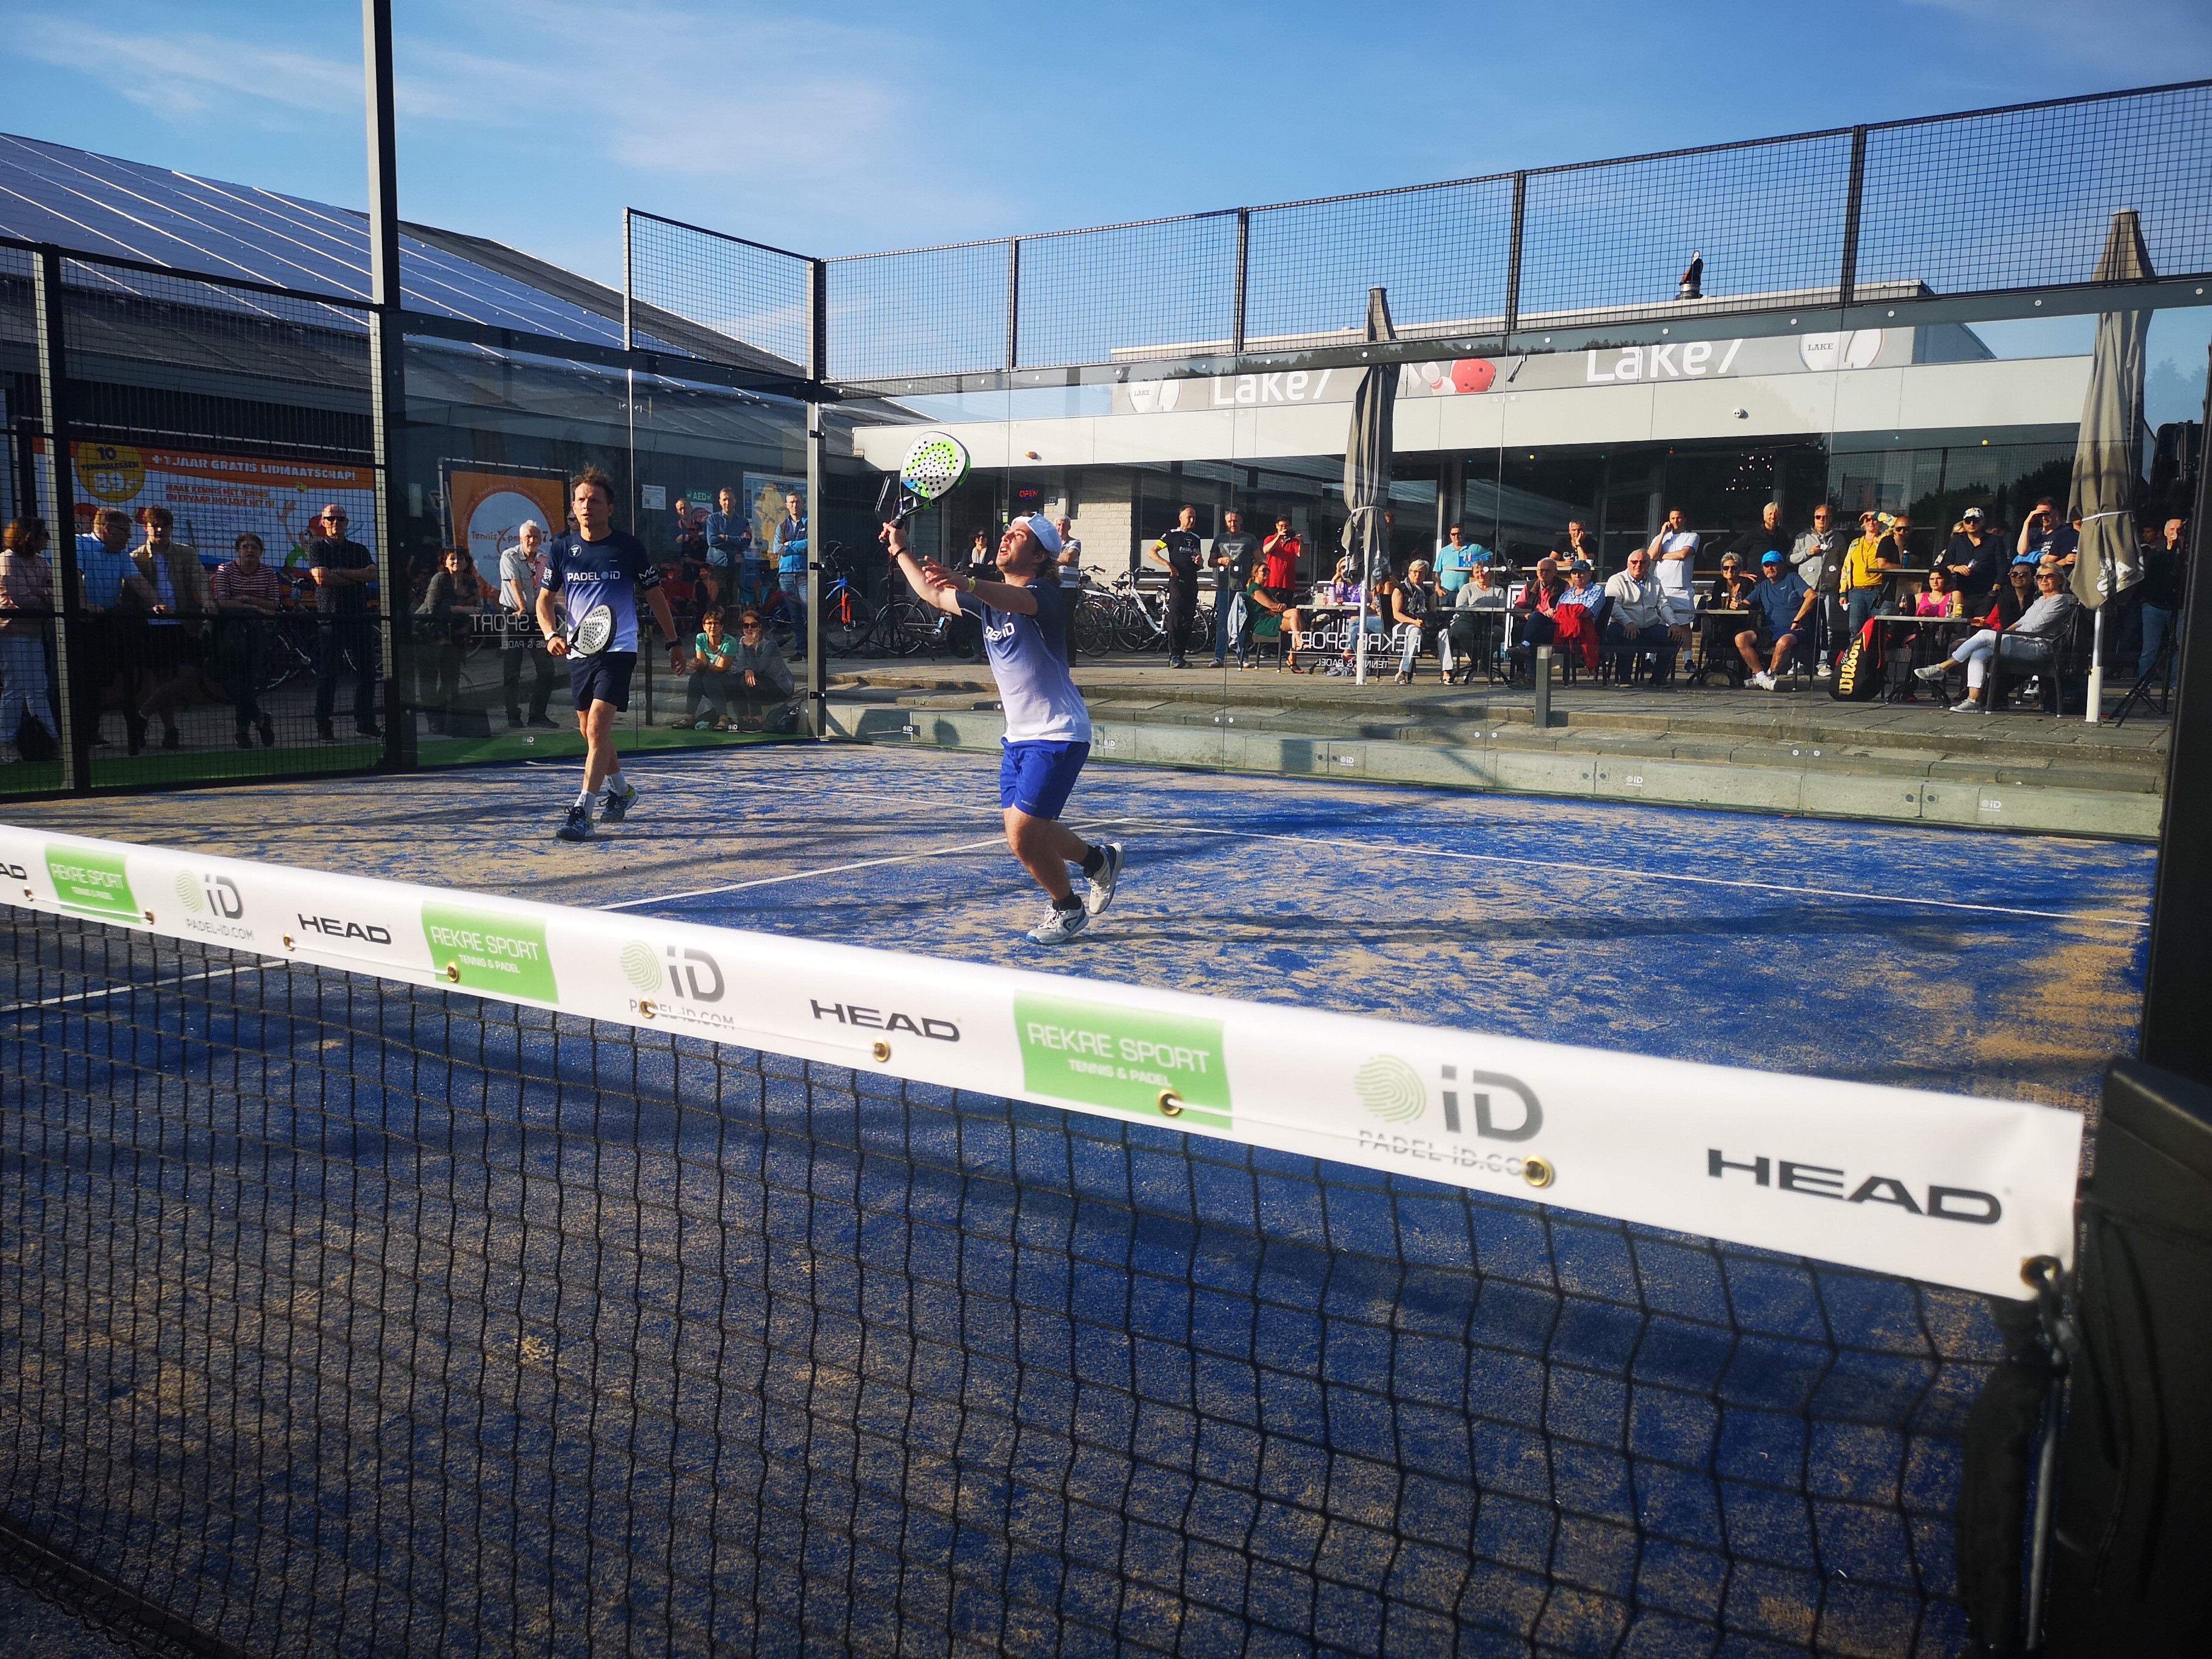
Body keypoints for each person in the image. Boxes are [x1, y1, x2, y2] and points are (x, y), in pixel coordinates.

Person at [883, 511, 1123, 944]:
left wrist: (968, 582)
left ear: (1038, 556)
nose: (1006, 539)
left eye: (1019, 536)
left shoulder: (1044, 595)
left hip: (1059, 733)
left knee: (1022, 836)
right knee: (1036, 828)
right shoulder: (988, 602)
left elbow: (1019, 602)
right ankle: (1097, 861)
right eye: (1007, 532)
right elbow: (931, 594)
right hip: (1017, 738)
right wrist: (901, 549)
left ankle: (1067, 910)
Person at [538, 465, 685, 842]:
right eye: (581, 500)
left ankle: (582, 811)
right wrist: (551, 633)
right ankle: (622, 791)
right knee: (589, 732)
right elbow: (543, 602)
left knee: (600, 727)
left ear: (610, 508)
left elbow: (656, 596)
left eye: (595, 501)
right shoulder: (561, 549)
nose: (587, 506)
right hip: (579, 650)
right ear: (574, 505)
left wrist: (673, 642)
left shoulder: (629, 548)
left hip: (619, 646)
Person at [1914, 563, 2078, 712]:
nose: (2044, 580)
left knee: (1985, 635)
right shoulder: (2040, 600)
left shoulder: (2059, 600)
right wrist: (2002, 635)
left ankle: (1943, 668)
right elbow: (2020, 623)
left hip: (2039, 647)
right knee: (1981, 652)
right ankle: (1973, 700)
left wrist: (2000, 636)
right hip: (2023, 642)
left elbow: (2036, 628)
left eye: (2049, 576)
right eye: (2041, 577)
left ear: (2060, 580)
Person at [129, 506, 212, 752]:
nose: (159, 529)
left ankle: (141, 715)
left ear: (171, 528)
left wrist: (207, 601)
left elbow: (200, 578)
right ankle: (170, 731)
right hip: (153, 627)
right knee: (161, 680)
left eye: (164, 525)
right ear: (145, 528)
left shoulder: (185, 553)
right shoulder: (136, 558)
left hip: (183, 623)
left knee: (189, 674)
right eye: (154, 525)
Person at [307, 502, 380, 743]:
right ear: (323, 522)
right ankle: (324, 725)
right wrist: (354, 577)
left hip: (359, 616)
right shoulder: (317, 549)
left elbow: (373, 574)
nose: (335, 522)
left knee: (367, 672)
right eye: (330, 519)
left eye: (340, 519)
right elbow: (322, 578)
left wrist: (340, 572)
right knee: (329, 673)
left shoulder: (358, 549)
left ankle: (365, 721)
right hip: (331, 617)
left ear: (347, 523)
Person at [208, 532, 284, 748]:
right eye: (245, 547)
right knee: (230, 680)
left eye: (255, 547)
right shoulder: (225, 570)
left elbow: (274, 604)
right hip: (228, 632)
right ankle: (260, 719)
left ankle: (242, 731)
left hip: (256, 632)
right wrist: (255, 607)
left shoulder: (268, 572)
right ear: (238, 550)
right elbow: (222, 602)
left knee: (248, 680)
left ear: (261, 552)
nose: (250, 551)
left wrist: (245, 599)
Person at [70, 506, 137, 746]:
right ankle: (69, 735)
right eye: (125, 531)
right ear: (107, 529)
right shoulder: (78, 545)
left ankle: (91, 732)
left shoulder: (121, 553)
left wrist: (158, 604)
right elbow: (73, 575)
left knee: (96, 680)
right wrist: (83, 603)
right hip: (74, 625)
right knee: (73, 680)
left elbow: (136, 580)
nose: (130, 537)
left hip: (102, 624)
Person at [0, 518, 57, 762]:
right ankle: (6, 742)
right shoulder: (8, 559)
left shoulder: (41, 560)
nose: (47, 538)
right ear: (28, 536)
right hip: (13, 632)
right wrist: (43, 595)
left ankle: (52, 739)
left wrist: (41, 594)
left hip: (35, 630)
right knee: (15, 689)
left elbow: (56, 592)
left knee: (38, 689)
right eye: (42, 533)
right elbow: (19, 598)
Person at [412, 547, 484, 734]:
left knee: (451, 679)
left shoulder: (471, 581)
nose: (456, 562)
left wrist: (469, 614)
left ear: (467, 563)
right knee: (428, 679)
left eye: (460, 559)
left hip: (455, 637)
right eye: (452, 559)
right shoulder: (439, 579)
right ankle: (433, 720)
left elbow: (478, 605)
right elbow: (433, 608)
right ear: (445, 562)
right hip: (429, 634)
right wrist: (462, 609)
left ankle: (446, 717)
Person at [500, 520, 558, 729]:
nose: (532, 541)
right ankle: (513, 715)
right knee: (512, 670)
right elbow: (515, 582)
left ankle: (538, 714)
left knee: (546, 669)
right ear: (520, 538)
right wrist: (522, 607)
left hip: (538, 617)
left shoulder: (545, 557)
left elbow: (552, 587)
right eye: (528, 537)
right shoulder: (510, 556)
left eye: (536, 537)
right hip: (514, 616)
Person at [1734, 551, 1817, 691]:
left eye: (1774, 565)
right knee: (1741, 638)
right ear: (1763, 568)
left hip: (1796, 629)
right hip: (1772, 629)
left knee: (1784, 641)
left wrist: (1797, 620)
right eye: (1767, 566)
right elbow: (1746, 603)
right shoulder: (1764, 586)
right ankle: (1762, 677)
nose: (1770, 568)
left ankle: (1770, 675)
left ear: (1782, 566)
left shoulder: (1793, 578)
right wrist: (1737, 604)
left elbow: (1812, 596)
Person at [1602, 546, 1677, 686]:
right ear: (1628, 563)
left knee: (1673, 637)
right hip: (1622, 624)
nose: (1638, 565)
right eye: (1634, 562)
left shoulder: (1655, 582)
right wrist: (1628, 623)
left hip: (1649, 626)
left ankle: (1658, 678)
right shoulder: (1616, 580)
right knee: (1628, 635)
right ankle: (1624, 678)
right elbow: (1614, 606)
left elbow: (1663, 605)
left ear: (1648, 565)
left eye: (1643, 562)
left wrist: (1673, 623)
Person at [1790, 504, 1846, 676]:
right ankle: (1798, 662)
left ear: (1831, 519)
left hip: (1828, 589)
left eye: (1826, 517)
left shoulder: (1838, 539)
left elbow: (1844, 563)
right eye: (1819, 517)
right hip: (1807, 592)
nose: (1822, 520)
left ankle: (1823, 663)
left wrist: (1841, 587)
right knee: (1801, 625)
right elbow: (1791, 559)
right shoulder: (1803, 537)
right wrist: (1808, 552)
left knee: (1827, 628)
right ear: (1814, 519)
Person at [723, 609, 799, 731]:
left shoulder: (769, 644)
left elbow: (760, 668)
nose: (749, 629)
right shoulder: (743, 642)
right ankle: (744, 719)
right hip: (760, 684)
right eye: (746, 626)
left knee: (746, 680)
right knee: (737, 680)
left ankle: (758, 720)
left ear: (760, 627)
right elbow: (742, 666)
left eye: (753, 625)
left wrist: (749, 657)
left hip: (780, 687)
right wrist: (746, 647)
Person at [1150, 504, 1204, 668]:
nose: (1192, 520)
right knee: (1176, 619)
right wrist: (1168, 565)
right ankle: (1173, 655)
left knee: (1189, 619)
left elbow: (1198, 560)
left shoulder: (1196, 538)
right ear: (1181, 518)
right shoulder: (1171, 535)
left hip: (1192, 581)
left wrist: (1200, 562)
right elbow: (1151, 552)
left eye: (1194, 517)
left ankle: (1181, 656)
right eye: (1189, 517)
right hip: (1177, 582)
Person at [2136, 516, 2186, 679]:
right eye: (2172, 529)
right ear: (2165, 533)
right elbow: (2150, 577)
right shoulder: (2156, 553)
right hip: (2154, 605)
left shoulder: (2190, 555)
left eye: (2179, 530)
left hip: (2179, 607)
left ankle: (2175, 684)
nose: (2176, 533)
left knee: (2180, 647)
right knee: (2150, 648)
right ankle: (2145, 683)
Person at [1210, 509, 1261, 667]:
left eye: (1236, 521)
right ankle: (1219, 656)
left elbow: (1260, 561)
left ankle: (1243, 657)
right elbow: (1210, 562)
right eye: (1230, 521)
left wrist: (1256, 580)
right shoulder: (1220, 539)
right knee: (1222, 622)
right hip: (1225, 587)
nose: (1233, 524)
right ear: (1226, 523)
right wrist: (1220, 561)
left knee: (1242, 622)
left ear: (1241, 521)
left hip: (1243, 588)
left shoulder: (1249, 539)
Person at [1698, 552, 1757, 684]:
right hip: (1722, 622)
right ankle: (1713, 669)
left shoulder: (1747, 584)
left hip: (1742, 623)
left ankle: (1739, 673)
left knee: (1734, 634)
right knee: (1713, 634)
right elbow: (1714, 604)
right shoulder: (1719, 584)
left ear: (1740, 570)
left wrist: (1741, 606)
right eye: (1726, 568)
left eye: (1734, 568)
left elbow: (1752, 603)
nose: (1730, 571)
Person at [1442, 564, 1507, 683]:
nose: (1480, 574)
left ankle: (1477, 664)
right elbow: (1460, 608)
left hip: (1490, 622)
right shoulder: (1467, 588)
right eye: (1477, 572)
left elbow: (1503, 611)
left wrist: (1487, 614)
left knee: (1498, 633)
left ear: (1490, 573)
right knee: (1463, 632)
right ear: (1473, 574)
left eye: (1484, 571)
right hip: (1467, 621)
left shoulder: (1499, 591)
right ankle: (1482, 664)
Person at [1647, 508, 1698, 651]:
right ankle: (1651, 658)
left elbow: (1683, 554)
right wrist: (1662, 534)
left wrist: (1661, 556)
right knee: (1657, 623)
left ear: (1685, 519)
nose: (1676, 521)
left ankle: (1688, 659)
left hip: (1681, 588)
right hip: (1660, 588)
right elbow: (1651, 555)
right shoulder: (1661, 538)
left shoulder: (1692, 536)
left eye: (1679, 518)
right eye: (1673, 518)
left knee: (1684, 625)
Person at [1839, 511, 1894, 642]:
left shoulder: (1883, 539)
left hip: (1876, 591)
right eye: (1867, 520)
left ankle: (1871, 661)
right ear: (1863, 524)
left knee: (1875, 630)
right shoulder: (1855, 543)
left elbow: (1895, 523)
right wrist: (1843, 592)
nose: (1871, 522)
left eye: (1874, 520)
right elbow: (1846, 567)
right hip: (1856, 591)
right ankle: (1855, 661)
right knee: (1855, 630)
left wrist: (1876, 514)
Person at [1941, 508, 2005, 613]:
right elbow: (1946, 563)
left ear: (1983, 522)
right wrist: (1956, 567)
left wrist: (1995, 588)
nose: (1972, 524)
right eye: (1968, 521)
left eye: (1976, 521)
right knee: (1960, 625)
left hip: (1987, 592)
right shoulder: (1957, 541)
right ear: (1964, 523)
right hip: (1963, 593)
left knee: (1981, 625)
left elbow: (2002, 565)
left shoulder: (1995, 541)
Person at [773, 491, 809, 658]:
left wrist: (791, 544)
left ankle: (815, 649)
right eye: (791, 502)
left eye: (797, 502)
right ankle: (801, 649)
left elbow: (812, 542)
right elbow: (778, 549)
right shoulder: (782, 526)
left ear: (803, 503)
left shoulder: (811, 523)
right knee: (795, 616)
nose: (795, 505)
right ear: (787, 506)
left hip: (804, 574)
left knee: (809, 613)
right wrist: (799, 547)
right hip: (786, 575)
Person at [1391, 560, 1439, 683]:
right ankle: (1403, 672)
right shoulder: (1400, 589)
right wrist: (1414, 622)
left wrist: (1428, 621)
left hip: (1424, 625)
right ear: (1409, 572)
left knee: (1444, 633)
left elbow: (1432, 612)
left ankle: (1446, 672)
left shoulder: (1429, 592)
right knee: (1415, 632)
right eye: (1415, 572)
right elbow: (1396, 614)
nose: (1417, 576)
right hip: (1403, 624)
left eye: (1421, 573)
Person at [704, 487, 751, 601]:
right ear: (720, 502)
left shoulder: (743, 521)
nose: (727, 503)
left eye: (730, 499)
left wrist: (725, 538)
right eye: (724, 499)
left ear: (736, 500)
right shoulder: (713, 519)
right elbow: (712, 541)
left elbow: (746, 542)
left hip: (736, 567)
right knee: (715, 602)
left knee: (734, 602)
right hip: (717, 565)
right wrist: (736, 541)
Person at [2016, 497, 2077, 571]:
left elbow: (2067, 560)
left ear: (2056, 513)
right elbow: (2022, 551)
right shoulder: (2033, 532)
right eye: (2039, 515)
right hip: (2030, 577)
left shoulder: (2066, 533)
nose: (2043, 518)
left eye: (2046, 514)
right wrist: (2027, 523)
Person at [1054, 515, 1085, 660]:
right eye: (1059, 525)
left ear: (1069, 527)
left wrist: (1050, 558)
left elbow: (1068, 558)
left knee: (1067, 623)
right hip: (1054, 587)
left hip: (1068, 589)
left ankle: (1070, 658)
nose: (1061, 528)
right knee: (1054, 622)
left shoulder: (1075, 543)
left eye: (1064, 525)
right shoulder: (1052, 544)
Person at [1261, 517, 1301, 591]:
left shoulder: (1294, 541)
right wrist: (1278, 538)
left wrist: (1301, 542)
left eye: (1286, 526)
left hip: (1288, 583)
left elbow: (1299, 554)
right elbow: (1266, 551)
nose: (1284, 528)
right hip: (1272, 582)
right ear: (1277, 526)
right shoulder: (1270, 539)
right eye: (1281, 526)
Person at [1434, 525, 1477, 595]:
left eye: (1459, 534)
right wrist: (1438, 589)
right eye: (1453, 534)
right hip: (1447, 592)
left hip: (1467, 593)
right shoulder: (1444, 551)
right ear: (1450, 536)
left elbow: (1491, 556)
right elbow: (1437, 572)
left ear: (1464, 534)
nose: (1456, 537)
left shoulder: (1473, 548)